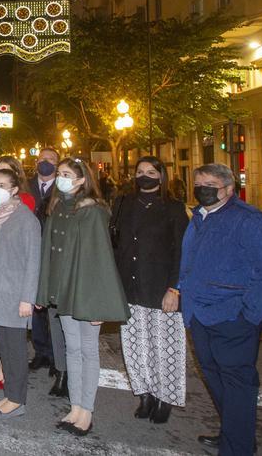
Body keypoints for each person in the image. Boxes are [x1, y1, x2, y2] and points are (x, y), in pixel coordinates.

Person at [181, 163, 262, 455]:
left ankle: (237, 448)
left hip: (233, 317)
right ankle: (235, 433)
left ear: (228, 188)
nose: (203, 188)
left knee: (237, 385)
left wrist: (249, 314)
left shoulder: (251, 221)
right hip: (200, 314)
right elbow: (190, 261)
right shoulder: (199, 217)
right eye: (199, 182)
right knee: (215, 379)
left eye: (210, 184)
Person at [36, 157, 130, 437]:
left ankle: (86, 410)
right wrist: (44, 291)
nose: (61, 178)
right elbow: (48, 254)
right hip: (63, 289)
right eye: (60, 173)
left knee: (88, 351)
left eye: (67, 174)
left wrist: (100, 303)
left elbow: (100, 258)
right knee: (71, 349)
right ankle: (75, 407)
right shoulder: (58, 207)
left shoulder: (93, 211)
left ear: (81, 179)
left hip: (86, 291)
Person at [111, 157, 189, 424]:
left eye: (151, 172)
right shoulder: (124, 204)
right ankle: (144, 393)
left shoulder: (174, 208)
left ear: (162, 176)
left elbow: (182, 251)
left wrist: (174, 288)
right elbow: (117, 242)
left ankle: (165, 397)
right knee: (134, 346)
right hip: (130, 286)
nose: (145, 176)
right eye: (140, 172)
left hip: (161, 288)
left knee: (165, 346)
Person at [0, 169, 41, 419]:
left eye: (2, 185)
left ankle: (17, 399)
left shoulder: (26, 219)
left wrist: (28, 297)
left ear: (15, 189)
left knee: (15, 350)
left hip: (15, 293)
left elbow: (33, 261)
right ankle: (9, 394)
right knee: (4, 347)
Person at [27, 146, 61, 375]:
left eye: (50, 160)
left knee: (54, 307)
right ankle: (41, 352)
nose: (45, 163)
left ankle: (57, 356)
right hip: (31, 252)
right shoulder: (26, 186)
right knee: (34, 305)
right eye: (42, 159)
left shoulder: (63, 188)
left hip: (54, 253)